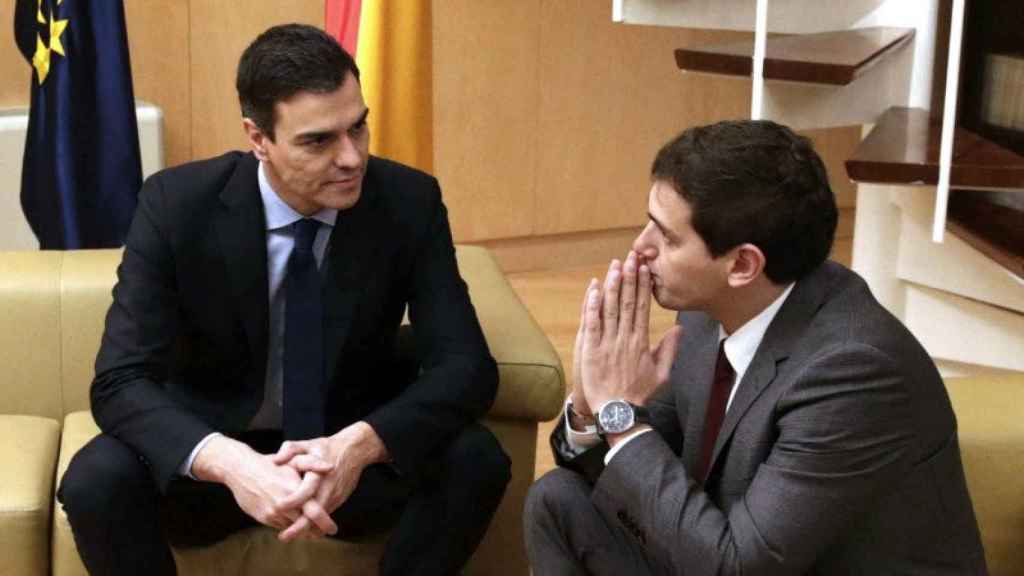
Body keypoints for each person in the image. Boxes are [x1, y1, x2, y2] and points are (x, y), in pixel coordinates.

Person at [58, 23, 510, 576]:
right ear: (257, 138)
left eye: (358, 127)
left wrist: (359, 447)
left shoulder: (407, 201)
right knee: (94, 479)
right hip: (219, 463)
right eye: (318, 141)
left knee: (476, 458)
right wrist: (231, 464)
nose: (351, 158)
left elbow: (467, 368)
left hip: (342, 459)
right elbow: (119, 380)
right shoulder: (177, 206)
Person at [525, 120, 987, 574]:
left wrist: (618, 414)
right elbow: (638, 470)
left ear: (743, 264)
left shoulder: (853, 372)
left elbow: (736, 566)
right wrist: (590, 407)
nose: (640, 247)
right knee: (559, 502)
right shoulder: (708, 312)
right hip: (721, 546)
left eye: (666, 237)